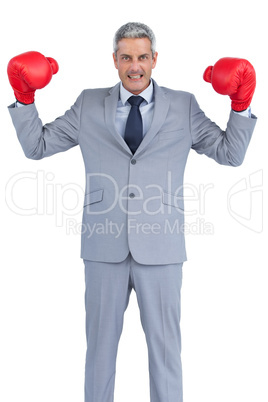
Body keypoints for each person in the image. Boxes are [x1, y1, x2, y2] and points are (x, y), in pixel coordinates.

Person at [7, 22, 257, 402]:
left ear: (155, 59)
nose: (135, 66)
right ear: (114, 60)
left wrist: (240, 105)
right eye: (126, 57)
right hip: (103, 248)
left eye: (142, 57)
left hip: (162, 249)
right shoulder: (89, 103)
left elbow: (230, 154)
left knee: (166, 354)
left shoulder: (184, 104)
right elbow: (37, 146)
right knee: (99, 355)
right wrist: (24, 97)